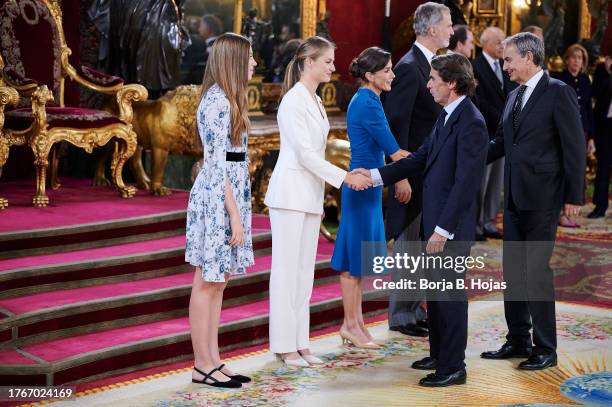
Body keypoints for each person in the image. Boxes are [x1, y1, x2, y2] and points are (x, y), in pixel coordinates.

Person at [356, 53, 489, 386]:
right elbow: (417, 160)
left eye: (433, 79)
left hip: (450, 228)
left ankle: (453, 367)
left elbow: (465, 184)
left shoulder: (471, 121)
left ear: (452, 83)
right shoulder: (447, 116)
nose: (427, 84)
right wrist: (374, 175)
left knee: (450, 297)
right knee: (436, 294)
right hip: (436, 222)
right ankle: (439, 354)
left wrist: (442, 230)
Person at [264, 36, 372, 367]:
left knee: (304, 274)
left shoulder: (315, 100)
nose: (333, 67)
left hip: (309, 195)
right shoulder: (293, 101)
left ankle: (300, 343)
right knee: (286, 272)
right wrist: (345, 177)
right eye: (327, 61)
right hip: (289, 195)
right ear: (308, 62)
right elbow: (306, 155)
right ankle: (284, 345)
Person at [481, 33, 585, 370]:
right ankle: (517, 339)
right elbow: (499, 143)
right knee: (513, 270)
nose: (505, 66)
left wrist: (574, 197)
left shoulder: (559, 92)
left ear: (529, 57)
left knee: (536, 272)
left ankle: (545, 348)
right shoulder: (513, 96)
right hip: (513, 198)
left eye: (509, 60)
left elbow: (574, 147)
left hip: (543, 198)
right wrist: (464, 159)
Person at [185, 33, 257, 388]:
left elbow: (232, 159)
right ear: (233, 62)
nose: (256, 64)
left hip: (227, 194)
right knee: (207, 280)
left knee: (219, 281)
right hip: (217, 200)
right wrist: (233, 212)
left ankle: (213, 359)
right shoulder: (217, 103)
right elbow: (215, 165)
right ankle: (202, 365)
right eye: (250, 59)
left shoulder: (229, 100)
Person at [331, 47, 411, 349]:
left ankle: (356, 324)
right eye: (387, 69)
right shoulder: (368, 102)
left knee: (359, 260)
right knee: (355, 260)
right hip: (363, 186)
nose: (392, 74)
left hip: (369, 185)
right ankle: (350, 324)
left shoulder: (368, 99)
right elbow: (394, 151)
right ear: (370, 75)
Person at [383, 1, 453, 338]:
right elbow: (398, 124)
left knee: (424, 244)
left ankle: (416, 308)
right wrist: (402, 175)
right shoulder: (410, 67)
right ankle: (401, 316)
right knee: (409, 245)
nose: (452, 29)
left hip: (430, 174)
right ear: (432, 29)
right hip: (412, 174)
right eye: (449, 23)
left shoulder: (433, 65)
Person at [473, 27, 516, 241]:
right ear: (485, 43)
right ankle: (477, 226)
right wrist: (502, 119)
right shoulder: (475, 66)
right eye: (499, 42)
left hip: (503, 134)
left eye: (504, 42)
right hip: (485, 132)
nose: (502, 46)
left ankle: (489, 222)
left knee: (496, 183)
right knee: (481, 181)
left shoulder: (505, 65)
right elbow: (479, 101)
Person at [557, 43, 596, 227]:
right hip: (564, 133)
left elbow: (588, 108)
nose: (576, 61)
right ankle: (561, 212)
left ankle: (571, 209)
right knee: (564, 170)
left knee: (578, 171)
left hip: (582, 131)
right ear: (567, 60)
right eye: (573, 57)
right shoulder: (559, 80)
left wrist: (591, 137)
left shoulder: (585, 80)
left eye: (580, 58)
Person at [588, 56, 612, 219]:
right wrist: (608, 72)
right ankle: (600, 206)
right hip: (606, 126)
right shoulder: (602, 70)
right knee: (603, 167)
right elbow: (595, 93)